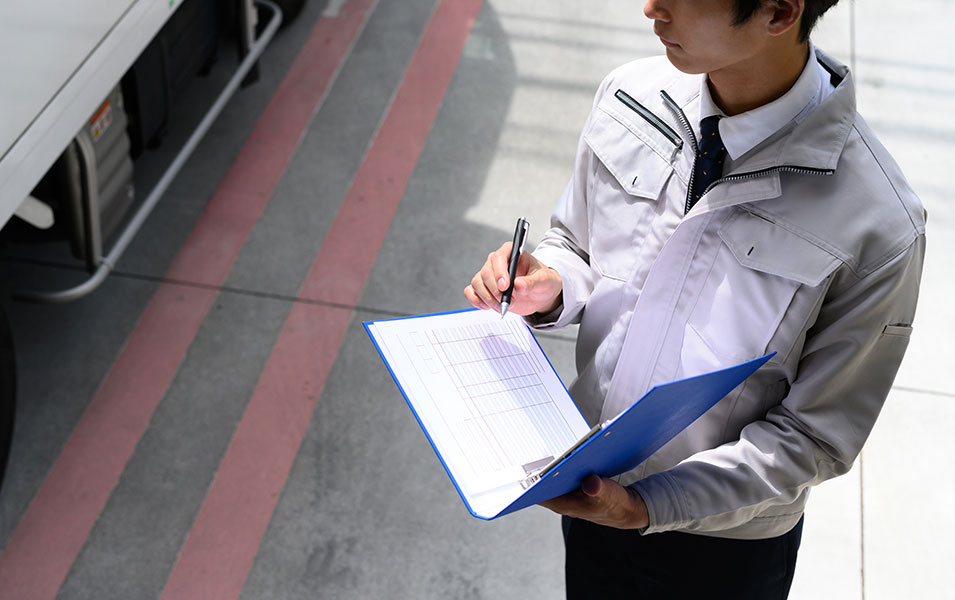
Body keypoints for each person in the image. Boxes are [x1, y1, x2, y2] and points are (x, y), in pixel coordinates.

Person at [464, 0, 926, 597]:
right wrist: (549, 282)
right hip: (588, 485)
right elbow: (573, 242)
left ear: (780, 13)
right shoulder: (630, 96)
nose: (651, 8)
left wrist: (648, 507)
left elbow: (816, 437)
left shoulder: (878, 224)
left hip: (721, 551)